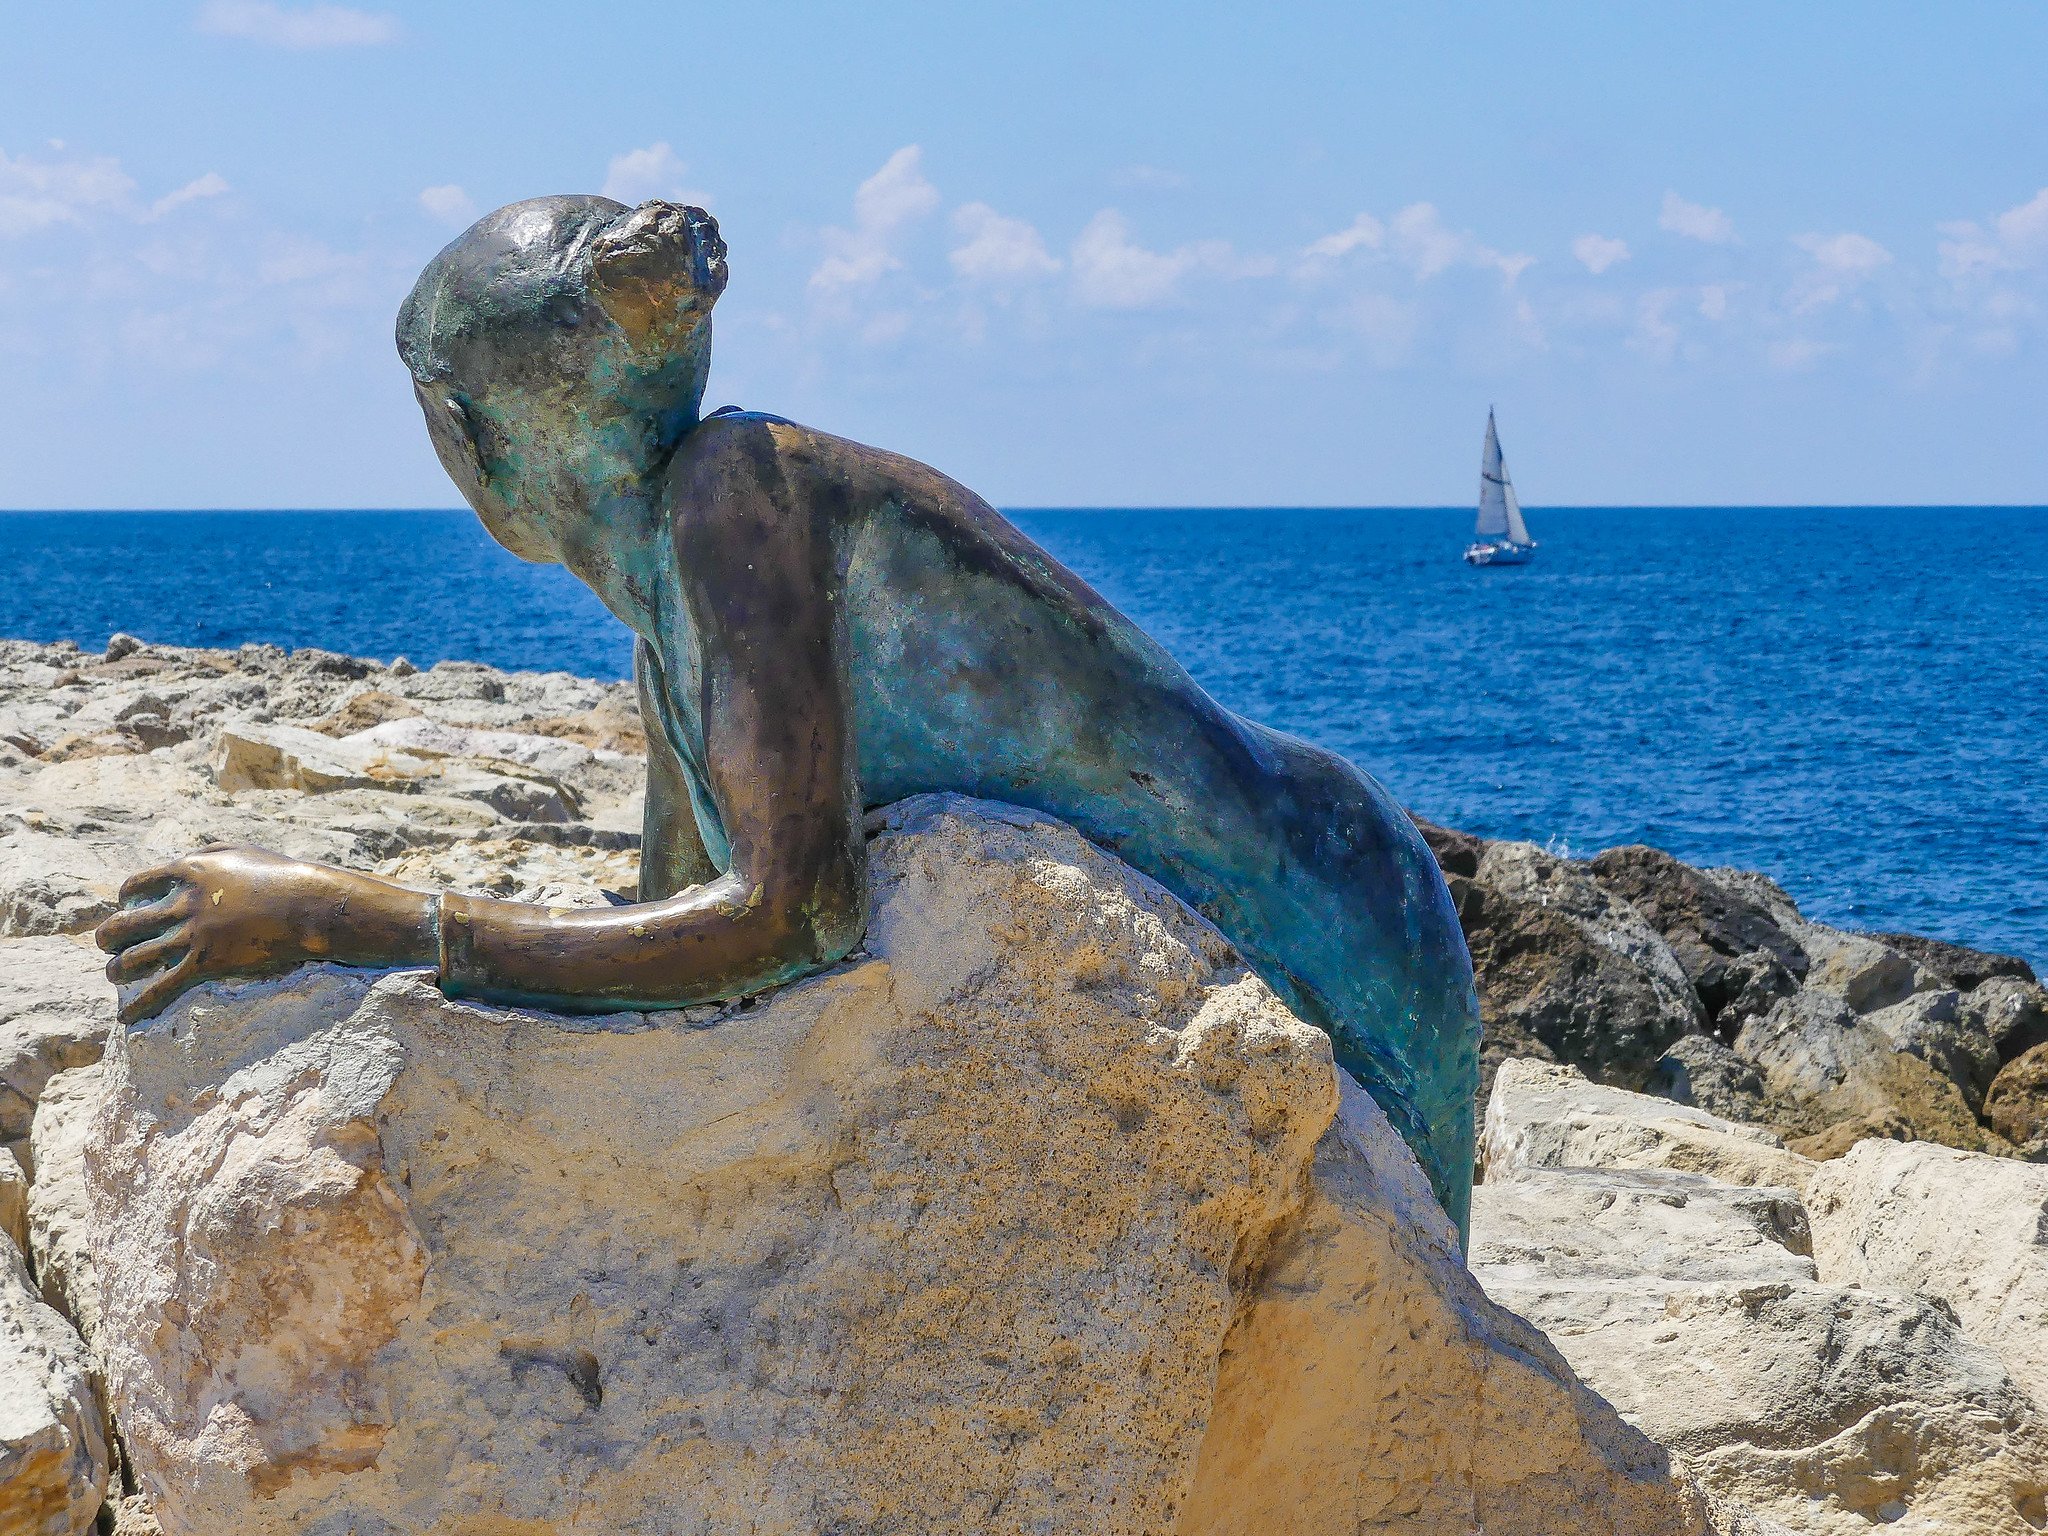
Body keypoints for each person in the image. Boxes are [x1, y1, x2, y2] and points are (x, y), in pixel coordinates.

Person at [95, 196, 1481, 1235]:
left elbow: (785, 916)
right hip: (1338, 881)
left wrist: (351, 919)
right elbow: (671, 946)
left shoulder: (732, 499)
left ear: (469, 440)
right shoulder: (672, 586)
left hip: (1341, 920)